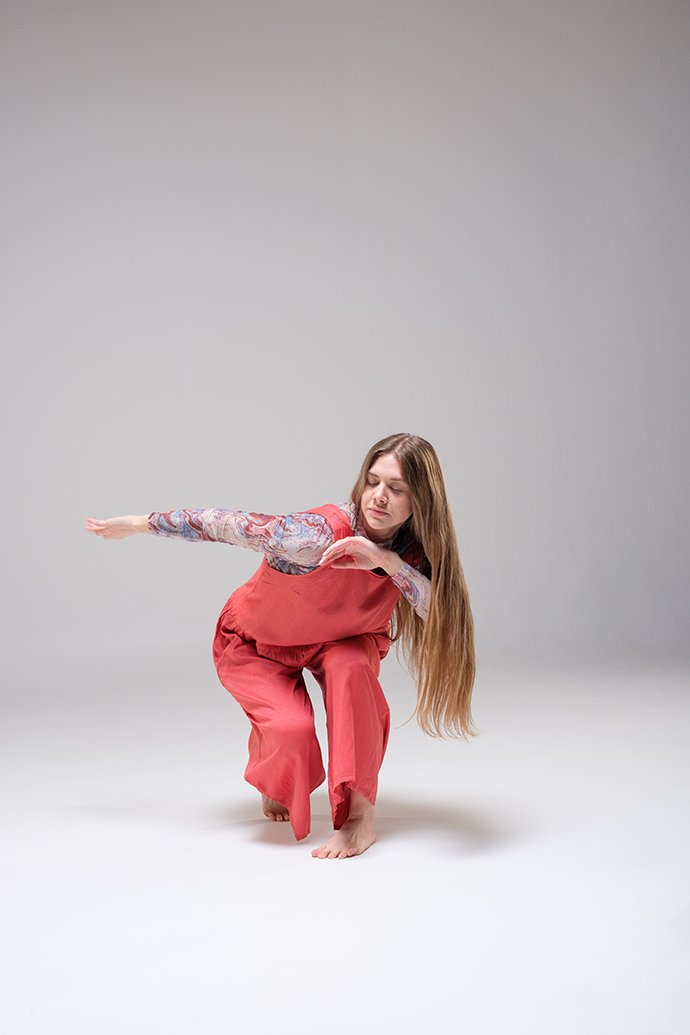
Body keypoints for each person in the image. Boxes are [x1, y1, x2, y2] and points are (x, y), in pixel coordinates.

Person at [85, 433, 476, 859]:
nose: (378, 497)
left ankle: (361, 819)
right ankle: (275, 774)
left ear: (422, 499)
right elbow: (223, 524)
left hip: (342, 639)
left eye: (396, 489)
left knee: (352, 671)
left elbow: (443, 621)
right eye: (372, 481)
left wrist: (385, 561)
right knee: (290, 733)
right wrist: (139, 524)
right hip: (259, 641)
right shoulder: (311, 536)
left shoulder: (414, 553)